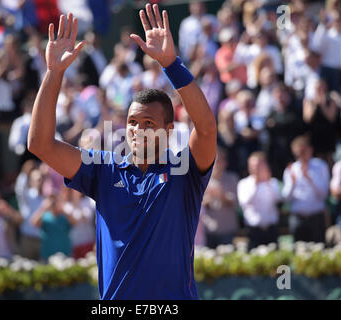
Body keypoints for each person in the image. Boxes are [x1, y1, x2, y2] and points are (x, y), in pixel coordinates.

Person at [28, 5, 217, 300]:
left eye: (148, 123)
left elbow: (206, 129)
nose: (137, 130)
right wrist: (53, 73)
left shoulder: (185, 171)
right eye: (132, 122)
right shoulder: (103, 168)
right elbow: (40, 144)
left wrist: (172, 64)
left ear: (168, 130)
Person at [282, 135, 330, 243]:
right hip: (298, 218)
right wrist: (293, 183)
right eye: (298, 153)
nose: (301, 155)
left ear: (310, 150)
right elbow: (286, 199)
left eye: (303, 151)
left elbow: (324, 194)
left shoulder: (321, 166)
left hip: (317, 218)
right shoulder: (291, 170)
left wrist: (310, 179)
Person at [237, 152, 281, 250]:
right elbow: (244, 202)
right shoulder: (244, 183)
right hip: (253, 230)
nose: (256, 168)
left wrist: (268, 182)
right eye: (254, 166)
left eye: (259, 165)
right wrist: (255, 184)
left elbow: (278, 200)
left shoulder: (273, 182)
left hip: (272, 229)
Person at [200, 148, 239, 248]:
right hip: (208, 231)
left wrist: (221, 195)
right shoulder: (202, 180)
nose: (216, 164)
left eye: (219, 161)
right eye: (214, 161)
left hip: (227, 231)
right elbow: (198, 204)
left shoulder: (232, 178)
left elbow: (236, 202)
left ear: (225, 162)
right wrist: (208, 199)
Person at [30, 192, 76, 261]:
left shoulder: (65, 216)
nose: (53, 203)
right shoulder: (44, 216)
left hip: (65, 255)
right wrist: (43, 208)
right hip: (47, 255)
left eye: (55, 201)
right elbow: (34, 223)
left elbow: (75, 223)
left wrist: (62, 209)